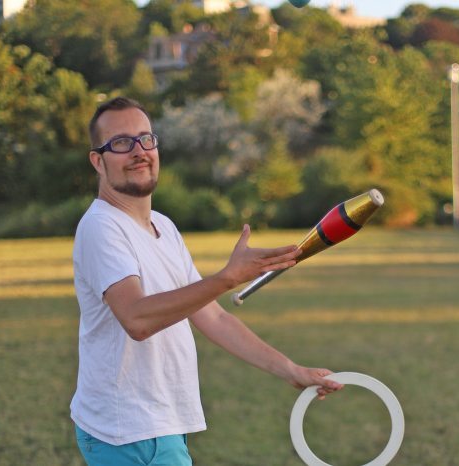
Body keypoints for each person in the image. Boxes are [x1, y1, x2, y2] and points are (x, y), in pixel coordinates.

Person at [71, 97, 342, 465]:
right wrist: (227, 277)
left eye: (145, 139)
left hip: (157, 425)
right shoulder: (101, 227)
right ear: (97, 161)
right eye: (120, 143)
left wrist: (290, 370)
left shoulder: (163, 227)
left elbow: (212, 317)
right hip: (128, 434)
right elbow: (137, 319)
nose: (138, 151)